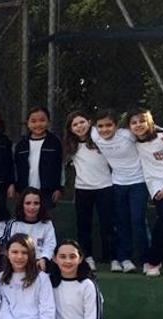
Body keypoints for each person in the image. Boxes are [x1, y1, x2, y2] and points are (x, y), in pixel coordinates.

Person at [91, 109, 148, 273]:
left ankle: (146, 260)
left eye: (109, 125)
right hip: (117, 184)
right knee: (121, 222)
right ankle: (125, 258)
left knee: (138, 221)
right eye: (100, 126)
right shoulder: (95, 135)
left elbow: (149, 130)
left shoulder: (127, 135)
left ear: (116, 126)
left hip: (139, 183)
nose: (104, 129)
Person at [129, 108, 163, 277]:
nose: (138, 125)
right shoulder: (134, 142)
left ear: (149, 122)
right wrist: (161, 189)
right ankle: (154, 261)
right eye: (133, 122)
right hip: (158, 190)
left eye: (141, 121)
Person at [63, 111, 113, 270]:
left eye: (82, 122)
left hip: (105, 187)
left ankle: (112, 258)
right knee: (84, 225)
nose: (79, 127)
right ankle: (87, 257)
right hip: (83, 190)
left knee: (108, 224)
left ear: (89, 122)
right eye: (75, 125)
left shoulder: (101, 141)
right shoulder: (70, 146)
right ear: (70, 129)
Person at [14, 106, 64, 208]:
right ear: (27, 123)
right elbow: (15, 168)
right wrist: (16, 189)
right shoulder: (21, 145)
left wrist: (59, 188)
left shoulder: (55, 142)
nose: (38, 124)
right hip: (25, 191)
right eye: (33, 121)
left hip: (47, 192)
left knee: (45, 220)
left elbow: (60, 166)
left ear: (48, 122)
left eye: (42, 120)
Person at [3, 187, 57, 270]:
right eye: (28, 203)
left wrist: (44, 259)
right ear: (22, 205)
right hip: (18, 265)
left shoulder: (47, 223)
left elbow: (50, 245)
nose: (32, 207)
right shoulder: (14, 224)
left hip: (40, 265)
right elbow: (10, 246)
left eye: (36, 203)